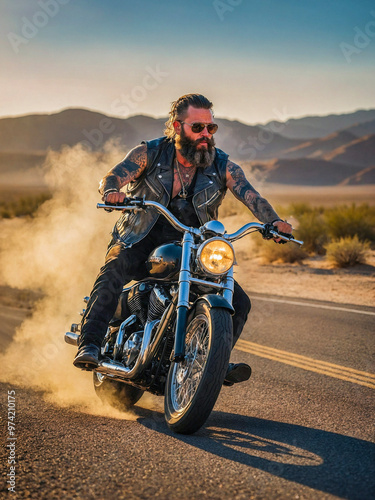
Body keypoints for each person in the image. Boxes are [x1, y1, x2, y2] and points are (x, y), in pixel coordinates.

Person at [74, 93, 292, 385]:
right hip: (140, 237)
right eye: (198, 128)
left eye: (210, 128)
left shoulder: (222, 165)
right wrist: (111, 191)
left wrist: (273, 221)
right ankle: (89, 342)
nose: (205, 135)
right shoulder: (149, 153)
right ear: (177, 127)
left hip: (189, 244)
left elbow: (250, 194)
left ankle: (211, 359)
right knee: (114, 268)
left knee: (239, 301)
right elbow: (113, 176)